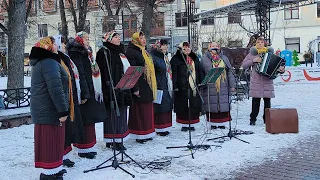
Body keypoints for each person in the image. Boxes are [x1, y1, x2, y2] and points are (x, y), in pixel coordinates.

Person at [30, 36, 71, 180]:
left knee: (53, 141)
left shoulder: (44, 62)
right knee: (50, 141)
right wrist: (62, 110)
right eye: (53, 43)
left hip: (45, 108)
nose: (56, 46)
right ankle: (48, 173)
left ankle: (54, 168)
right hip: (50, 109)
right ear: (47, 46)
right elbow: (55, 88)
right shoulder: (49, 63)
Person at [67, 31, 107, 158]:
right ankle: (83, 148)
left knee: (90, 121)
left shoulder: (87, 51)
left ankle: (89, 146)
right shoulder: (76, 53)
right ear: (80, 40)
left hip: (91, 88)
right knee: (85, 121)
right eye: (86, 39)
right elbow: (80, 74)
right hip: (85, 90)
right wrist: (84, 93)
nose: (88, 40)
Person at [96, 31, 132, 150]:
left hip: (123, 87)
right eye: (116, 37)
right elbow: (103, 71)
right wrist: (108, 87)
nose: (118, 38)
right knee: (112, 114)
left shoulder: (121, 52)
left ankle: (119, 138)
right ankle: (112, 140)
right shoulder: (104, 52)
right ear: (109, 39)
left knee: (121, 114)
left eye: (118, 37)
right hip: (111, 88)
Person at [54, 35, 84, 167]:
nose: (64, 45)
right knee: (63, 130)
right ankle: (61, 156)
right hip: (63, 99)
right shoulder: (56, 60)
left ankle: (65, 155)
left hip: (70, 97)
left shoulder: (65, 58)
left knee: (69, 129)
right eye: (61, 43)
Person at [242, 37, 285, 125]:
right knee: (255, 102)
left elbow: (277, 66)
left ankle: (267, 120)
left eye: (262, 42)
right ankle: (253, 119)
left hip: (267, 81)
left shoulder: (270, 54)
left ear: (265, 44)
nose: (260, 43)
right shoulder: (251, 54)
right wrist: (253, 60)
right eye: (258, 42)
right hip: (256, 81)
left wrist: (281, 69)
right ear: (256, 44)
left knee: (267, 103)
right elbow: (244, 65)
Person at [126, 32, 157, 143]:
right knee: (139, 111)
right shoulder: (131, 52)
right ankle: (139, 134)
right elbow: (133, 71)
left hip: (147, 84)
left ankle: (148, 132)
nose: (143, 40)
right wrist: (135, 88)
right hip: (139, 85)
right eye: (141, 38)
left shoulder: (144, 51)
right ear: (135, 40)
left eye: (144, 38)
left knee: (147, 110)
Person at [170, 42, 205, 131]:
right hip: (182, 86)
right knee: (183, 105)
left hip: (193, 85)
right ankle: (184, 124)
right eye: (184, 48)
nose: (187, 49)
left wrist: (201, 82)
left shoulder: (194, 58)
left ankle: (192, 123)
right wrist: (175, 86)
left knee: (193, 105)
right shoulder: (176, 59)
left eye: (188, 48)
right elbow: (174, 73)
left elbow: (199, 70)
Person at [201, 42, 236, 129]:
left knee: (222, 103)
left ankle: (222, 123)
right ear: (209, 48)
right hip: (210, 85)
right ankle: (212, 123)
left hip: (223, 84)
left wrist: (233, 85)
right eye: (213, 46)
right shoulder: (204, 59)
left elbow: (230, 72)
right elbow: (201, 73)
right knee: (212, 104)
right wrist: (202, 84)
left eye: (216, 46)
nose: (215, 47)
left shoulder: (224, 58)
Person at [150, 39, 173, 136]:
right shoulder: (154, 57)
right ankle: (159, 127)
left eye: (166, 45)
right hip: (159, 84)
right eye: (163, 45)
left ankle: (165, 126)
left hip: (166, 83)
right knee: (160, 107)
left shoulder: (164, 57)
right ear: (158, 46)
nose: (166, 47)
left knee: (166, 106)